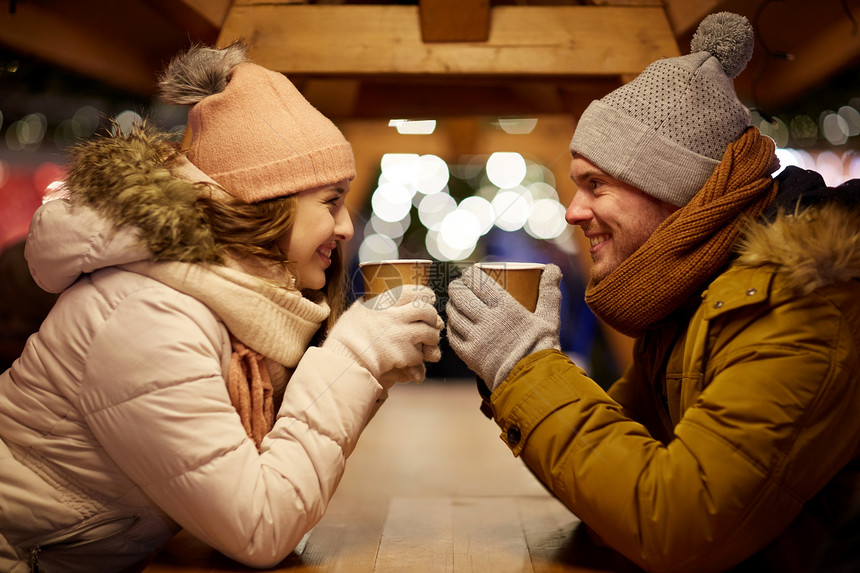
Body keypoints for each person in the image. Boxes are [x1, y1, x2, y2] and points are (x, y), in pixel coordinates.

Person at [0, 41, 443, 572]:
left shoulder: (223, 303)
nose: (346, 226)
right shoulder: (149, 316)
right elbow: (259, 528)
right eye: (331, 201)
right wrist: (351, 360)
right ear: (265, 204)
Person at [446, 12, 860, 573]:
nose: (572, 210)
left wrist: (524, 367)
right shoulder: (691, 296)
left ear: (675, 190)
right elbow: (611, 495)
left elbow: (673, 522)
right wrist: (519, 372)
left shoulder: (805, 304)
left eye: (596, 184)